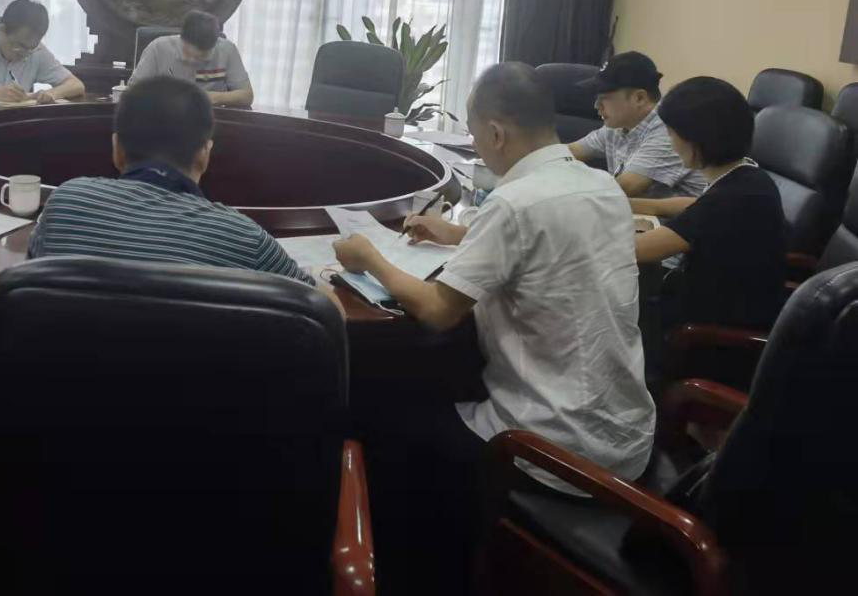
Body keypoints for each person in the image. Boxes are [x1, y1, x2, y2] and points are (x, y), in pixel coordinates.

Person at [333, 62, 655, 593]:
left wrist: (370, 258)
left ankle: (417, 568)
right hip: (627, 437)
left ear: (497, 133)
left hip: (549, 446)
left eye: (477, 135)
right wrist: (457, 234)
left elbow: (439, 309)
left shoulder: (513, 201)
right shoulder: (601, 187)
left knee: (379, 413)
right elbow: (545, 246)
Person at [29, 76, 339, 311]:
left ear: (116, 149)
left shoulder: (67, 204)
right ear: (205, 154)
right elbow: (325, 312)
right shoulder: (244, 238)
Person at [632, 76, 788, 334]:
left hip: (710, 332)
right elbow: (697, 204)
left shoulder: (732, 199)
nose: (670, 142)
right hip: (714, 302)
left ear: (697, 139)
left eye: (671, 133)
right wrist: (632, 204)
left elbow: (636, 250)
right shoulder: (745, 175)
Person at [567, 51, 707, 199]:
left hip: (687, 213)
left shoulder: (668, 129)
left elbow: (624, 188)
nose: (596, 105)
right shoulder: (619, 125)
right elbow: (569, 151)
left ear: (639, 98)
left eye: (604, 98)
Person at [129, 10, 254, 107]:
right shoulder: (158, 48)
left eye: (201, 57)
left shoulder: (227, 50)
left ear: (214, 44)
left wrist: (210, 97)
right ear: (181, 39)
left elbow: (247, 96)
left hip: (209, 119)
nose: (193, 61)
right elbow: (133, 91)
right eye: (188, 54)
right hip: (164, 117)